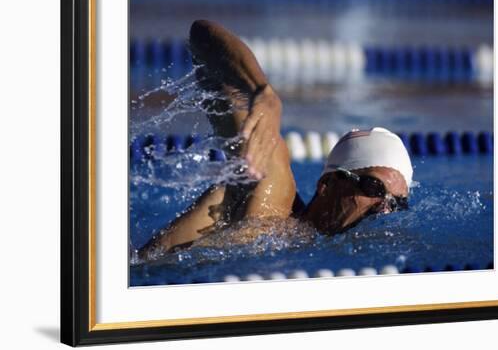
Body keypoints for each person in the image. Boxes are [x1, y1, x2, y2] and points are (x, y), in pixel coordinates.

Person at [137, 20, 413, 260]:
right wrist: (262, 91)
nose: (385, 208)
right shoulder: (271, 185)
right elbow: (201, 35)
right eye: (375, 188)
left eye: (397, 203)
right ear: (327, 184)